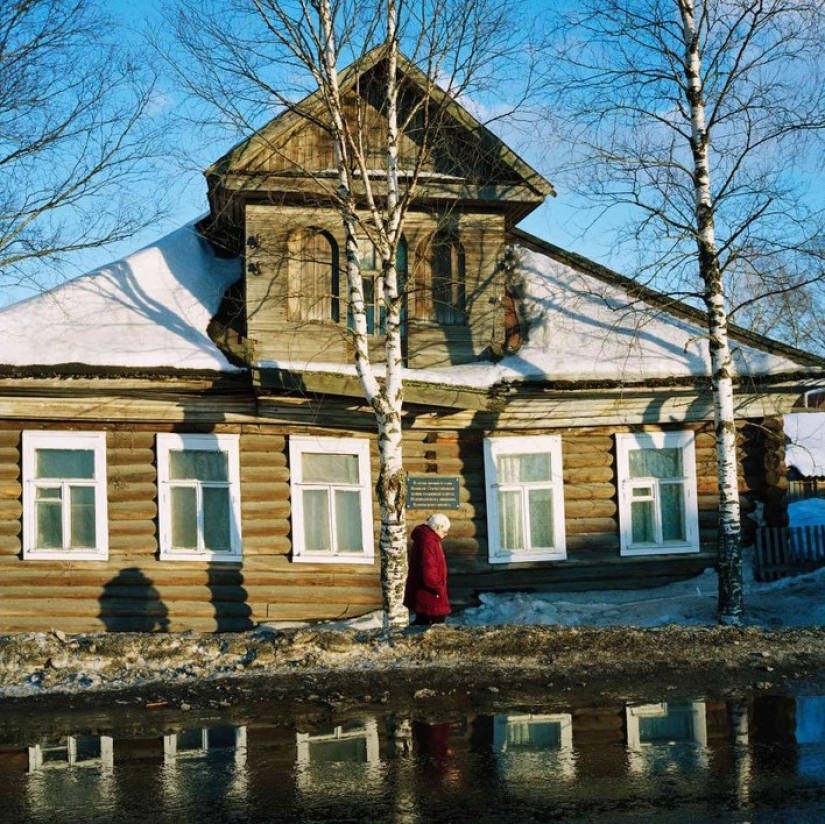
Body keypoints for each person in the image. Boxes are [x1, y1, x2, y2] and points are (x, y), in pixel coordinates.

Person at [404, 513, 451, 626]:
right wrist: (439, 588)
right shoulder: (428, 542)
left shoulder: (426, 539)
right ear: (438, 528)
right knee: (436, 626)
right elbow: (428, 571)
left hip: (425, 593)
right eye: (444, 532)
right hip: (431, 594)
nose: (445, 535)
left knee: (422, 623)